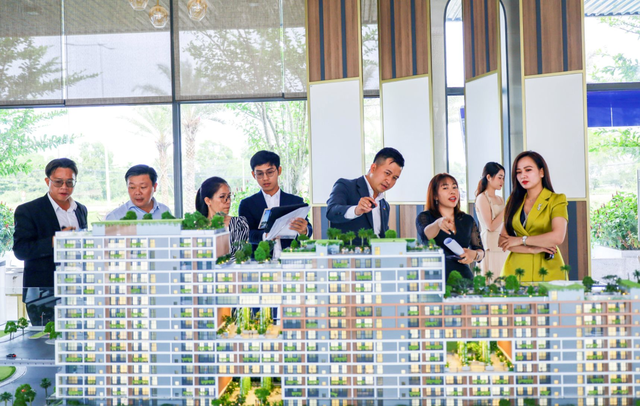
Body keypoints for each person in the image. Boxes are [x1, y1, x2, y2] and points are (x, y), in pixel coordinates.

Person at [13, 158, 88, 325]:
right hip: (43, 295)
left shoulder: (81, 209)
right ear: (48, 181)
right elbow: (21, 250)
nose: (64, 187)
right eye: (58, 182)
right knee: (46, 340)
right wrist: (55, 241)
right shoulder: (29, 210)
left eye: (70, 182)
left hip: (78, 290)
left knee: (79, 339)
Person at [498, 151, 568, 282]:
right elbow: (503, 241)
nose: (523, 175)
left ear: (541, 172)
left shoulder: (556, 200)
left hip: (548, 268)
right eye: (518, 172)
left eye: (528, 170)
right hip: (515, 269)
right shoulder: (512, 201)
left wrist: (520, 240)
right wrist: (532, 249)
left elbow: (557, 237)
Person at [238, 151, 312, 256]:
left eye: (270, 172)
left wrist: (304, 230)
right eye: (260, 174)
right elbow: (246, 235)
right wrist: (266, 236)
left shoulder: (295, 201)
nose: (265, 178)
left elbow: (309, 229)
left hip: (291, 258)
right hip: (261, 261)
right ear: (253, 175)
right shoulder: (247, 204)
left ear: (279, 170)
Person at [326, 148, 404, 243]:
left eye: (394, 178)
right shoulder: (345, 185)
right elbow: (331, 212)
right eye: (387, 173)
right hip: (350, 252)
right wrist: (356, 210)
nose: (389, 181)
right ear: (373, 168)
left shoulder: (385, 205)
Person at [416, 173, 484, 281]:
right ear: (435, 195)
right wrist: (438, 224)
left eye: (454, 187)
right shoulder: (425, 217)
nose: (452, 191)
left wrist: (474, 254)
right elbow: (426, 235)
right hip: (435, 279)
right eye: (445, 188)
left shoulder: (467, 219)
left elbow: (481, 251)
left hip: (464, 279)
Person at [195, 176, 249, 261]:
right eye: (222, 197)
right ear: (208, 201)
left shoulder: (239, 223)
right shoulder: (196, 228)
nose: (228, 201)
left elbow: (239, 256)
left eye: (229, 196)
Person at [474, 162, 509, 276]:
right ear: (489, 177)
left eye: (503, 178)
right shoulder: (482, 198)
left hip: (503, 245)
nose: (502, 181)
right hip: (490, 247)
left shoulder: (500, 199)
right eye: (499, 177)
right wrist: (507, 209)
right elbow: (491, 226)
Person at [105, 164, 172, 220]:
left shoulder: (165, 211)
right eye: (132, 187)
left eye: (143, 187)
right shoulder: (115, 217)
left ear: (154, 187)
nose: (137, 192)